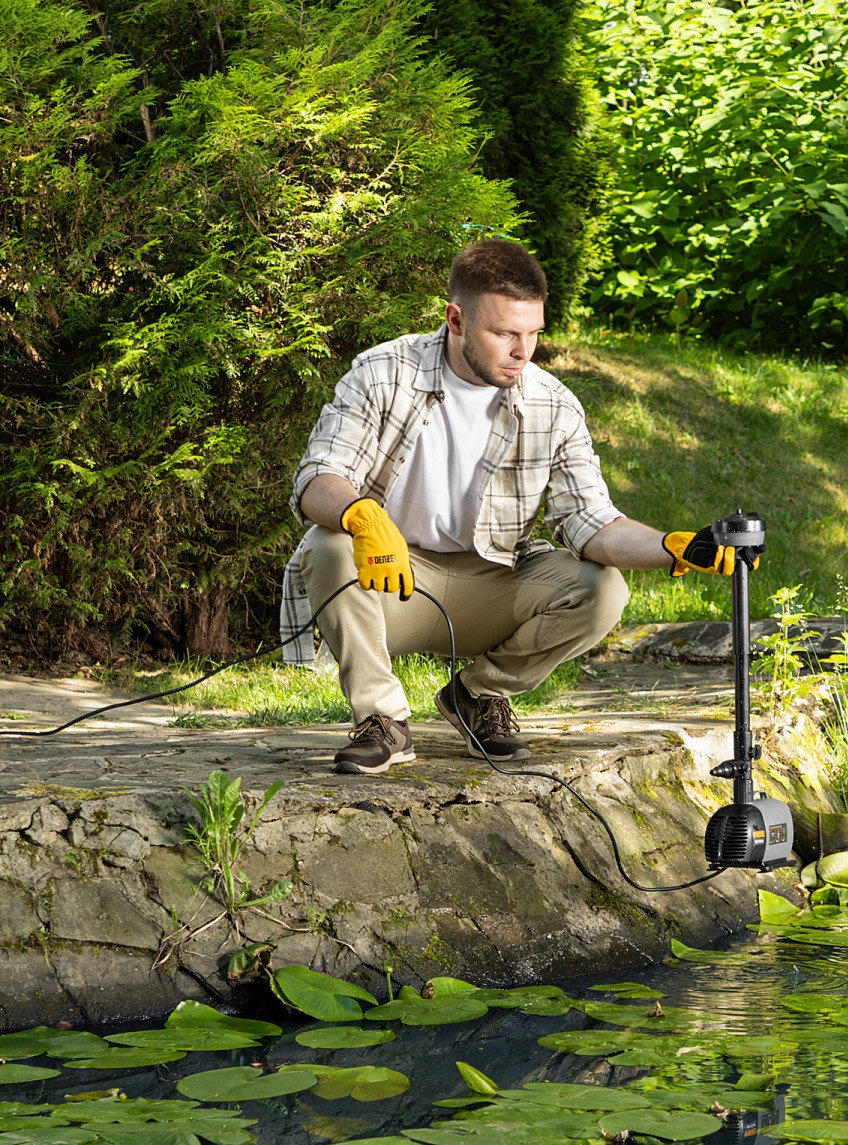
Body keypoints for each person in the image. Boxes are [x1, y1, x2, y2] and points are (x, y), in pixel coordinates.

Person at [280, 239, 757, 774]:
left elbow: (590, 521)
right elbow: (318, 477)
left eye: (533, 333)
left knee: (602, 588)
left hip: (494, 582)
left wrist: (674, 547)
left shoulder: (553, 403)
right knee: (328, 546)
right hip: (391, 581)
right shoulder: (382, 372)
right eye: (505, 333)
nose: (522, 351)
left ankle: (477, 695)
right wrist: (363, 515)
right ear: (456, 320)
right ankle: (382, 721)